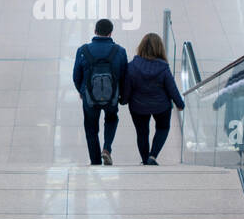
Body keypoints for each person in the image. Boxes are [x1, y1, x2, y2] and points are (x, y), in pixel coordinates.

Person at [121, 32, 184, 164]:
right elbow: (172, 88)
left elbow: (127, 87)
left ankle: (145, 160)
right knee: (162, 128)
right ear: (160, 48)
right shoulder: (163, 67)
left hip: (138, 107)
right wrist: (180, 103)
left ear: (141, 47)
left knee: (142, 133)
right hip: (161, 106)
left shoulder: (132, 66)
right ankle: (153, 156)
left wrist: (124, 100)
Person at [72, 18, 129, 166]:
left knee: (91, 128)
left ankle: (95, 162)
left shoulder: (83, 50)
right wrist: (122, 95)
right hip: (112, 97)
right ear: (111, 33)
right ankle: (107, 149)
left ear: (95, 31)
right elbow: (125, 77)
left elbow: (76, 76)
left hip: (89, 98)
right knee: (111, 119)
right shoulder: (120, 51)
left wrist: (82, 91)